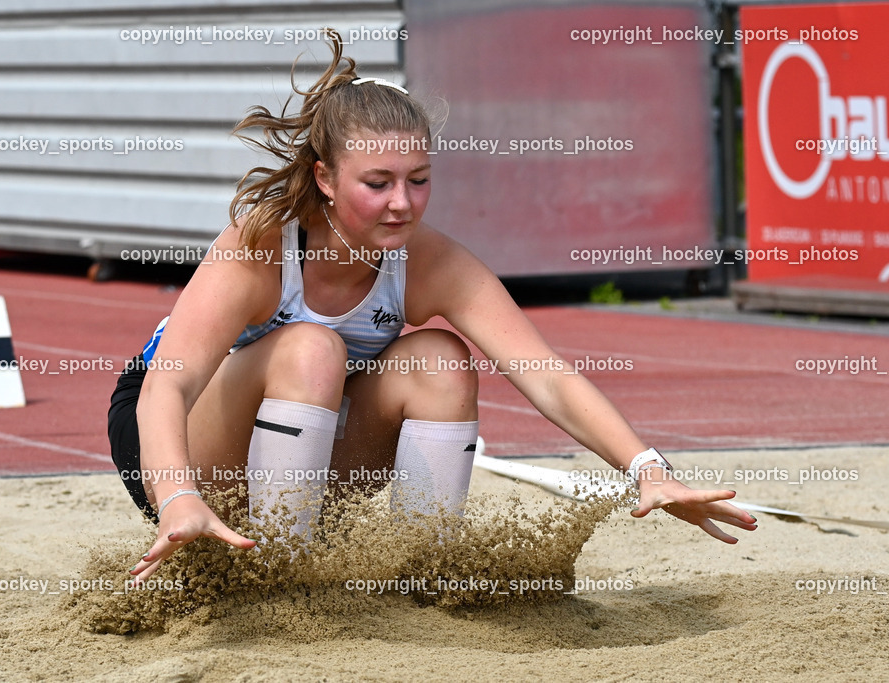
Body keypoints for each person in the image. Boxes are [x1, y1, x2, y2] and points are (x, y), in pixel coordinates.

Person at [112, 33, 757, 582]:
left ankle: (421, 572)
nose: (403, 203)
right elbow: (165, 390)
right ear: (324, 179)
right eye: (378, 183)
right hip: (176, 441)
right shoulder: (259, 245)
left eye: (419, 180)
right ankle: (279, 579)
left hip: (310, 435)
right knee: (313, 347)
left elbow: (545, 373)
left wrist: (649, 470)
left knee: (443, 360)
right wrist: (178, 497)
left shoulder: (430, 261)